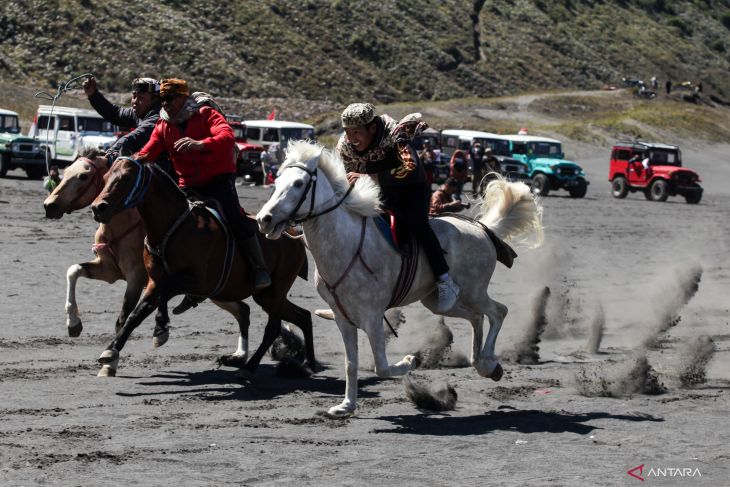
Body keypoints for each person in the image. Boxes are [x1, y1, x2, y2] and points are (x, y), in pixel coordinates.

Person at [132, 78, 271, 313]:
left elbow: (226, 136)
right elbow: (149, 151)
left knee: (235, 217)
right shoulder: (163, 125)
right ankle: (192, 287)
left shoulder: (205, 114)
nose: (165, 104)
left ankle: (260, 268)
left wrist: (200, 144)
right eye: (162, 99)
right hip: (188, 184)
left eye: (170, 99)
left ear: (184, 97)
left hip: (218, 180)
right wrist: (129, 161)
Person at [336, 102, 459, 312]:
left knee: (417, 224)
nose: (352, 138)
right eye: (348, 132)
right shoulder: (345, 146)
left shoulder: (395, 136)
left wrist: (368, 176)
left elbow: (409, 169)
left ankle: (444, 279)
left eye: (357, 132)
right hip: (378, 191)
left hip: (411, 189)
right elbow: (344, 174)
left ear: (372, 128)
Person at [83, 76, 170, 171]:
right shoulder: (141, 111)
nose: (135, 101)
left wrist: (110, 153)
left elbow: (136, 137)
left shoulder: (160, 116)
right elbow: (115, 113)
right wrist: (93, 95)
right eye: (134, 96)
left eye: (141, 97)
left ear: (155, 100)